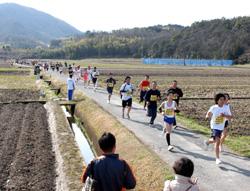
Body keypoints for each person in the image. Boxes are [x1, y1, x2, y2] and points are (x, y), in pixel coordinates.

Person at [204, 93, 232, 165]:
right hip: (214, 127)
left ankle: (207, 142)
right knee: (217, 141)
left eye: (223, 99)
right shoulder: (214, 107)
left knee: (214, 140)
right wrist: (207, 116)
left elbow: (231, 117)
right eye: (221, 99)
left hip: (221, 127)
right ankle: (217, 158)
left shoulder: (226, 108)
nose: (222, 101)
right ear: (217, 100)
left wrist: (224, 115)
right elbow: (208, 113)